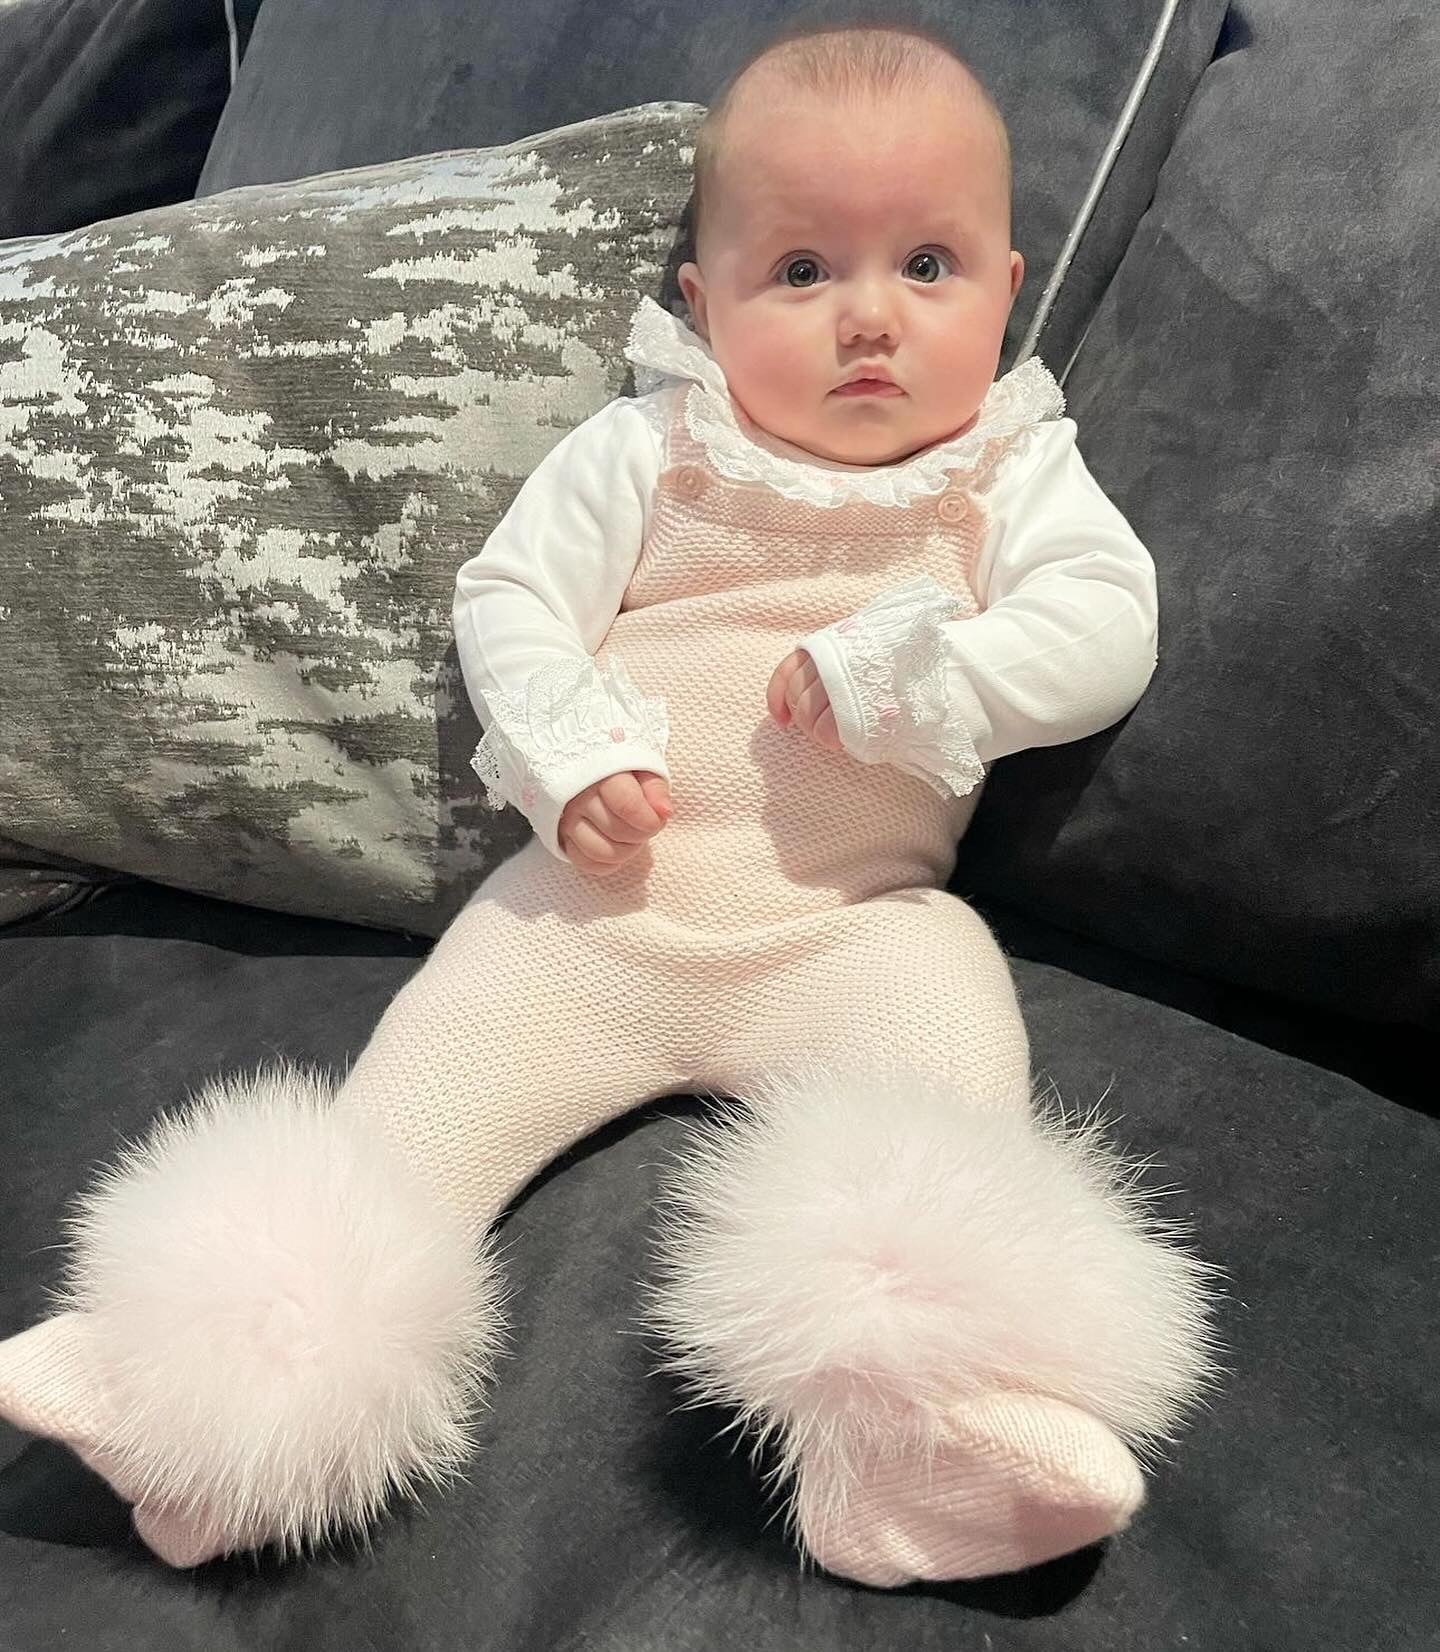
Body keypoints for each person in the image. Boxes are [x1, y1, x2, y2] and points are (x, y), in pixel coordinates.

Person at [0, 22, 1220, 1584]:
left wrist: (924, 674)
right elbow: (513, 600)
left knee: (949, 1085)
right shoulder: (655, 444)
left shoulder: (1009, 470)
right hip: (590, 917)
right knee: (405, 1124)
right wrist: (570, 752)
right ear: (704, 307)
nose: (869, 317)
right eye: (802, 271)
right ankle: (205, 1415)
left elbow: (1108, 628)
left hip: (850, 925)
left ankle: (922, 1439)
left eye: (928, 265)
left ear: (1005, 286)